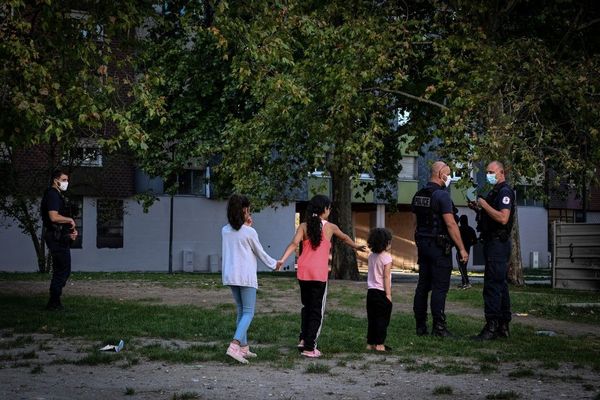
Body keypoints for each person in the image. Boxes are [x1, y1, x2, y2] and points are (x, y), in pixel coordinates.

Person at [278, 194, 366, 358]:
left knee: (307, 307)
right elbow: (345, 238)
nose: (330, 210)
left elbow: (294, 244)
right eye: (329, 208)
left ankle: (304, 339)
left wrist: (282, 260)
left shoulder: (303, 226)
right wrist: (356, 247)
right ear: (324, 209)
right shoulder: (330, 227)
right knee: (316, 310)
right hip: (318, 274)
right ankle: (310, 348)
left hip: (303, 272)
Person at [221, 194, 282, 364]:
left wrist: (245, 225)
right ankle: (234, 346)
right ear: (244, 210)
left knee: (241, 311)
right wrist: (274, 264)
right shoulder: (249, 232)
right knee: (248, 312)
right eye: (247, 209)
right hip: (245, 276)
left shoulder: (225, 230)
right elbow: (259, 252)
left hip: (230, 275)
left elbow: (238, 237)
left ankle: (243, 348)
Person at [412, 161, 469, 337]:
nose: (449, 177)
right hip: (439, 247)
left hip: (423, 246)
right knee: (439, 288)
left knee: (422, 286)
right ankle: (439, 328)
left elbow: (416, 223)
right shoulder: (442, 196)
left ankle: (421, 326)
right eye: (448, 173)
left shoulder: (418, 195)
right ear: (440, 174)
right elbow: (451, 224)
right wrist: (462, 249)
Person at [468, 161, 515, 340]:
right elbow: (491, 215)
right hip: (492, 242)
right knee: (500, 284)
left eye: (491, 172)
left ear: (501, 172)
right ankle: (503, 326)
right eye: (487, 172)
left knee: (492, 286)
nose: (488, 175)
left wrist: (484, 205)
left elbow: (503, 218)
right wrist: (479, 208)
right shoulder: (495, 191)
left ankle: (492, 326)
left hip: (498, 243)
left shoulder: (504, 191)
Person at [41, 169, 78, 311]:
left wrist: (70, 233)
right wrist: (70, 220)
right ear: (55, 180)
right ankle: (54, 302)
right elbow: (53, 217)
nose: (66, 183)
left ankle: (54, 300)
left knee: (62, 270)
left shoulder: (56, 195)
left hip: (59, 236)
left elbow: (58, 221)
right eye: (63, 180)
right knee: (62, 270)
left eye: (67, 180)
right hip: (55, 237)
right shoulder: (52, 195)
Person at [365, 228, 393, 352]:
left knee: (372, 319)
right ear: (385, 243)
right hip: (381, 292)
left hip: (371, 292)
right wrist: (388, 294)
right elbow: (386, 276)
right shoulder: (387, 258)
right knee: (382, 319)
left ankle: (370, 343)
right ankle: (380, 344)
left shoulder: (371, 256)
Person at [456, 215, 478, 289]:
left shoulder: (459, 229)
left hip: (460, 250)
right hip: (467, 250)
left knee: (461, 267)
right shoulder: (471, 229)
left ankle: (466, 282)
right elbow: (475, 241)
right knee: (464, 266)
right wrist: (469, 244)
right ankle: (464, 282)